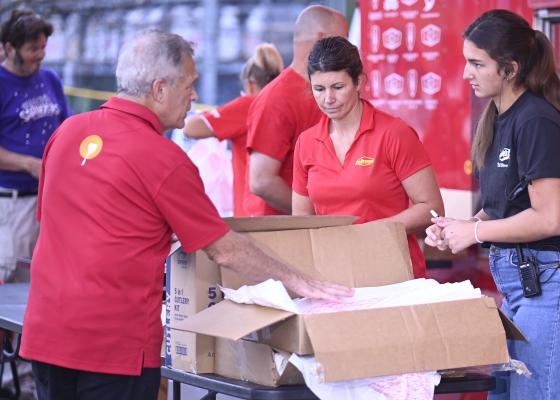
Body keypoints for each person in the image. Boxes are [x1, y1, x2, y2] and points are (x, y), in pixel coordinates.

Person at [20, 30, 352, 400]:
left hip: (45, 335)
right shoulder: (162, 158)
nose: (194, 96)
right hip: (113, 347)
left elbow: (62, 222)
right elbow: (225, 250)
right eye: (189, 85)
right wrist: (303, 283)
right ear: (159, 89)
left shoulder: (66, 133)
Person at [424, 10, 560, 400]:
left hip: (556, 287)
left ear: (509, 69)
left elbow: (551, 218)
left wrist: (473, 232)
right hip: (525, 291)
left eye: (477, 63)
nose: (466, 74)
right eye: (466, 62)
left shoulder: (535, 119)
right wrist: (461, 225)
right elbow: (504, 208)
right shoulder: (498, 118)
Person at [292, 36, 443, 278]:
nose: (328, 99)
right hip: (334, 273)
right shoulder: (306, 142)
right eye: (319, 89)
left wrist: (364, 234)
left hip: (393, 272)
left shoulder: (394, 133)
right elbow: (301, 219)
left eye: (338, 87)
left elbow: (432, 208)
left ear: (359, 81)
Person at [246, 5, 348, 215]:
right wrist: (315, 215)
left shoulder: (327, 92)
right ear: (321, 39)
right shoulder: (276, 98)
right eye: (344, 41)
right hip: (287, 236)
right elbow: (261, 181)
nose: (349, 51)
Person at [0, 9, 69, 283]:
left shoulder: (50, 78)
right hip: (12, 203)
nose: (40, 54)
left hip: (49, 197)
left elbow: (65, 127)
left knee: (43, 278)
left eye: (42, 47)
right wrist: (28, 164)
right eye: (32, 49)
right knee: (9, 281)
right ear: (9, 47)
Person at [183, 43, 284, 216]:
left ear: (250, 83)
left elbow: (191, 128)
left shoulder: (248, 106)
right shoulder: (286, 106)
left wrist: (211, 114)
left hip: (254, 213)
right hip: (287, 208)